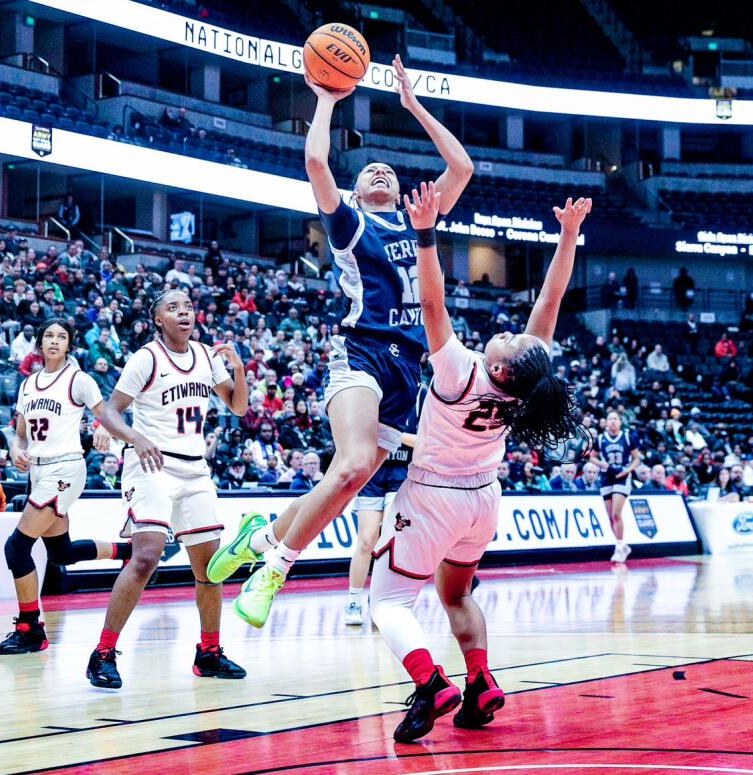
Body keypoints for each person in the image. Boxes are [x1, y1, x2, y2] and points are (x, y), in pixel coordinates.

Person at [207, 56, 474, 628]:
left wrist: (412, 106)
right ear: (356, 189)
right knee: (353, 465)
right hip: (361, 351)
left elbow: (462, 166)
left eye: (388, 171)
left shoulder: (418, 221)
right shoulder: (352, 223)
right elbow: (314, 161)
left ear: (401, 188)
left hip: (411, 372)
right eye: (369, 171)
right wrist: (327, 99)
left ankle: (264, 533)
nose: (379, 172)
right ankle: (275, 568)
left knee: (345, 483)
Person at [366, 184, 585, 742]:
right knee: (457, 594)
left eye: (509, 338)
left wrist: (425, 234)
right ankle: (481, 681)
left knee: (387, 601)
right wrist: (567, 238)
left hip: (435, 493)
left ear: (505, 368)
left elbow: (432, 303)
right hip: (484, 499)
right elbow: (550, 302)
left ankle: (430, 681)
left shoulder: (460, 370)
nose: (508, 330)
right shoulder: (527, 386)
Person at [85, 291, 249, 688]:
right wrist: (135, 438)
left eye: (188, 307)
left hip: (195, 470)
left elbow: (239, 408)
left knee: (210, 569)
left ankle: (209, 653)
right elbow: (110, 410)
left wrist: (240, 371)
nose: (183, 312)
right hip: (151, 464)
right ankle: (102, 653)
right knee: (146, 558)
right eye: (172, 308)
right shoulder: (146, 358)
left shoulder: (209, 358)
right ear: (158, 319)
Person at [0, 319, 132, 654]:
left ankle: (30, 629)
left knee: (16, 548)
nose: (55, 341)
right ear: (39, 344)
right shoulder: (28, 385)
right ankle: (130, 552)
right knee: (60, 554)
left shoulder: (78, 379)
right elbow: (21, 431)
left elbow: (108, 411)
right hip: (38, 471)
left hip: (65, 468)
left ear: (69, 344)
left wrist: (101, 427)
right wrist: (15, 449)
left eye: (62, 337)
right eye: (49, 336)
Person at [345, 408, 418, 627]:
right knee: (366, 541)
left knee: (388, 537)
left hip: (401, 474)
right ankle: (353, 601)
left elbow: (424, 441)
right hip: (372, 472)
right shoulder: (374, 390)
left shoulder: (421, 394)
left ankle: (379, 599)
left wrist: (393, 434)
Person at [591, 412, 641, 563]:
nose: (612, 421)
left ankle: (618, 548)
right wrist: (602, 464)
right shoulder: (600, 439)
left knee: (616, 514)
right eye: (610, 419)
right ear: (606, 422)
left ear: (620, 422)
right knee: (610, 517)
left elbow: (637, 458)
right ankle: (623, 546)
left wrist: (628, 470)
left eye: (615, 419)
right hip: (607, 477)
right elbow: (592, 456)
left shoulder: (627, 437)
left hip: (622, 476)